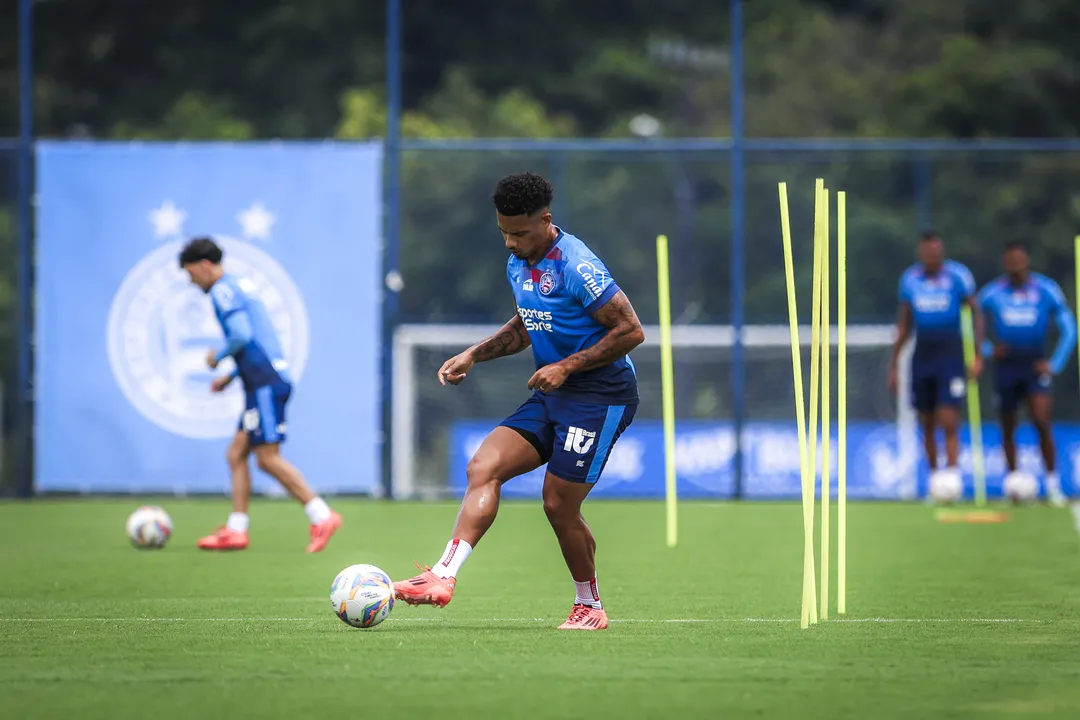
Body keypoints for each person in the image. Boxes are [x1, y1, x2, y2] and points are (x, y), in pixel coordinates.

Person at [393, 173, 645, 630]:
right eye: (504, 232)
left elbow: (631, 330)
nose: (510, 242)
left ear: (546, 221)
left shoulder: (577, 265)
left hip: (600, 397)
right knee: (482, 468)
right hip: (552, 392)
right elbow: (528, 324)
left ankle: (589, 605)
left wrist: (567, 366)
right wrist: (475, 354)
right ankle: (442, 576)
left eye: (520, 233)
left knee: (557, 504)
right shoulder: (519, 261)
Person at [178, 237, 342, 552]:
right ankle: (237, 529)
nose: (192, 281)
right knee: (236, 454)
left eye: (191, 274)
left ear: (204, 265)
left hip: (265, 383)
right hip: (260, 379)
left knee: (267, 458)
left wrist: (218, 357)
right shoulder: (241, 286)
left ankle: (321, 514)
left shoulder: (223, 290)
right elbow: (261, 341)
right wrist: (232, 376)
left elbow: (242, 334)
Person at [977, 241, 1075, 506]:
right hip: (1006, 364)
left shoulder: (1046, 289)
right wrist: (986, 349)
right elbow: (971, 321)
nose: (1014, 266)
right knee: (1008, 425)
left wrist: (1055, 364)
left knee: (1041, 420)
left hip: (1034, 365)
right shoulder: (992, 293)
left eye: (1019, 260)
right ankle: (1014, 486)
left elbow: (1070, 329)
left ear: (1026, 261)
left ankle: (1053, 486)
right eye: (1010, 261)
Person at [889, 231, 984, 486]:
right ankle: (934, 480)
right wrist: (894, 367)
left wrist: (977, 354)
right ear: (921, 253)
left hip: (950, 354)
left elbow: (976, 314)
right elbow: (904, 325)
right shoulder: (910, 279)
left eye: (935, 252)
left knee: (949, 418)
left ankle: (952, 475)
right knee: (927, 420)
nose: (931, 256)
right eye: (926, 252)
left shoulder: (958, 276)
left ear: (941, 252)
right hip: (923, 354)